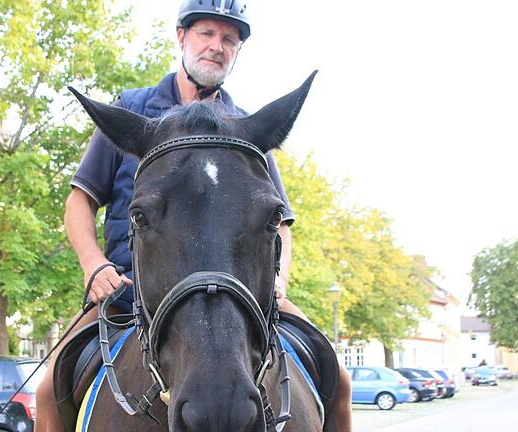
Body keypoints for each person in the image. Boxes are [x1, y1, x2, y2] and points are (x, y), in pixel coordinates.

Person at [34, 1, 352, 431]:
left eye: (229, 40)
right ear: (182, 37)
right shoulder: (133, 108)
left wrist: (278, 279)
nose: (217, 47)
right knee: (48, 390)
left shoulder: (247, 131)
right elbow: (79, 202)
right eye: (206, 34)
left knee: (341, 379)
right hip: (129, 295)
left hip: (242, 297)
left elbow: (279, 224)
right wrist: (94, 265)